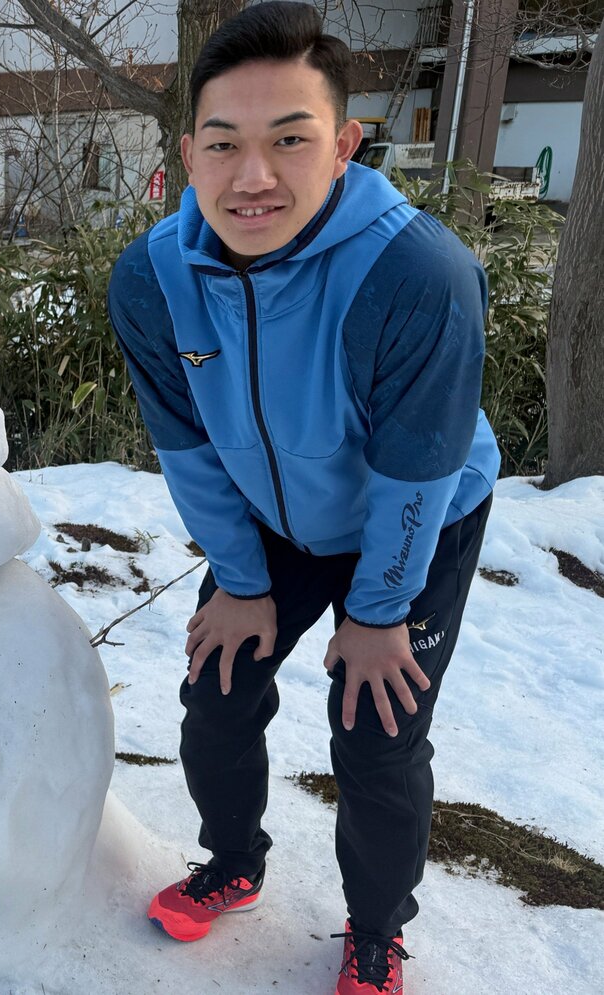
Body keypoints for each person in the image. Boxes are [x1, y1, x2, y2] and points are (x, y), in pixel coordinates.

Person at [105, 4, 499, 993]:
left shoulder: (417, 274)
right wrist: (239, 582)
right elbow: (189, 447)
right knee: (217, 694)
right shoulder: (153, 277)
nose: (254, 177)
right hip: (274, 520)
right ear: (189, 151)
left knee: (376, 730)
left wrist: (376, 613)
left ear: (346, 146)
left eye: (291, 140)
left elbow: (417, 473)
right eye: (225, 145)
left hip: (415, 517)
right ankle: (234, 861)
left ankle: (377, 928)